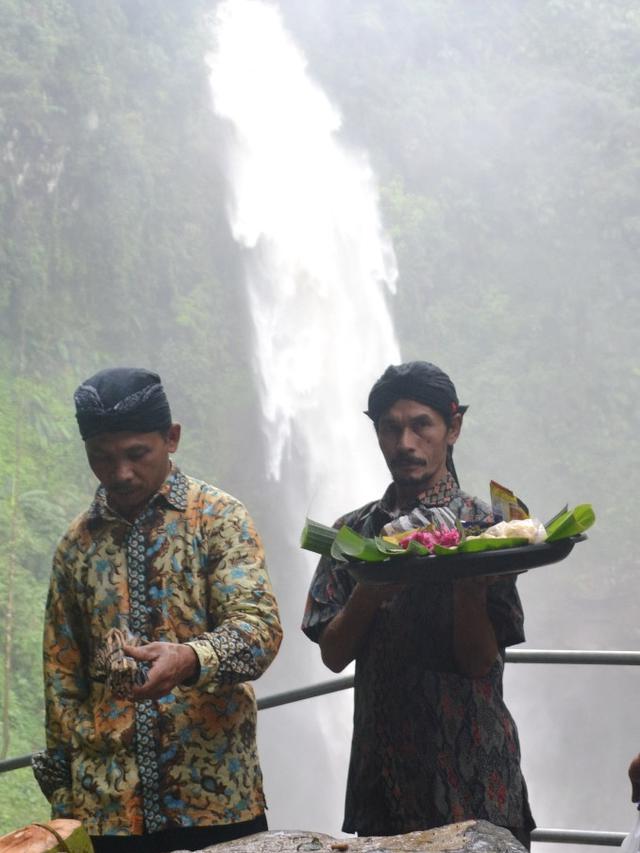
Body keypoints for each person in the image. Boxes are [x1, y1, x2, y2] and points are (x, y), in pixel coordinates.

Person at [32, 367, 283, 853]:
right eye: (101, 458)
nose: (120, 472)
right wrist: (64, 809)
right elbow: (61, 682)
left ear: (172, 438)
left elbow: (260, 632)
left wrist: (191, 659)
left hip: (216, 800)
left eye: (136, 455)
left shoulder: (219, 518)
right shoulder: (75, 547)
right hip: (107, 812)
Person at [302, 361, 535, 848]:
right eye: (390, 428)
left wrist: (467, 582)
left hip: (475, 774)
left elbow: (477, 663)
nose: (405, 443)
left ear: (453, 428)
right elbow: (333, 653)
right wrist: (372, 587)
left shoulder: (492, 530)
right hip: (384, 781)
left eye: (421, 425)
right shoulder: (351, 535)